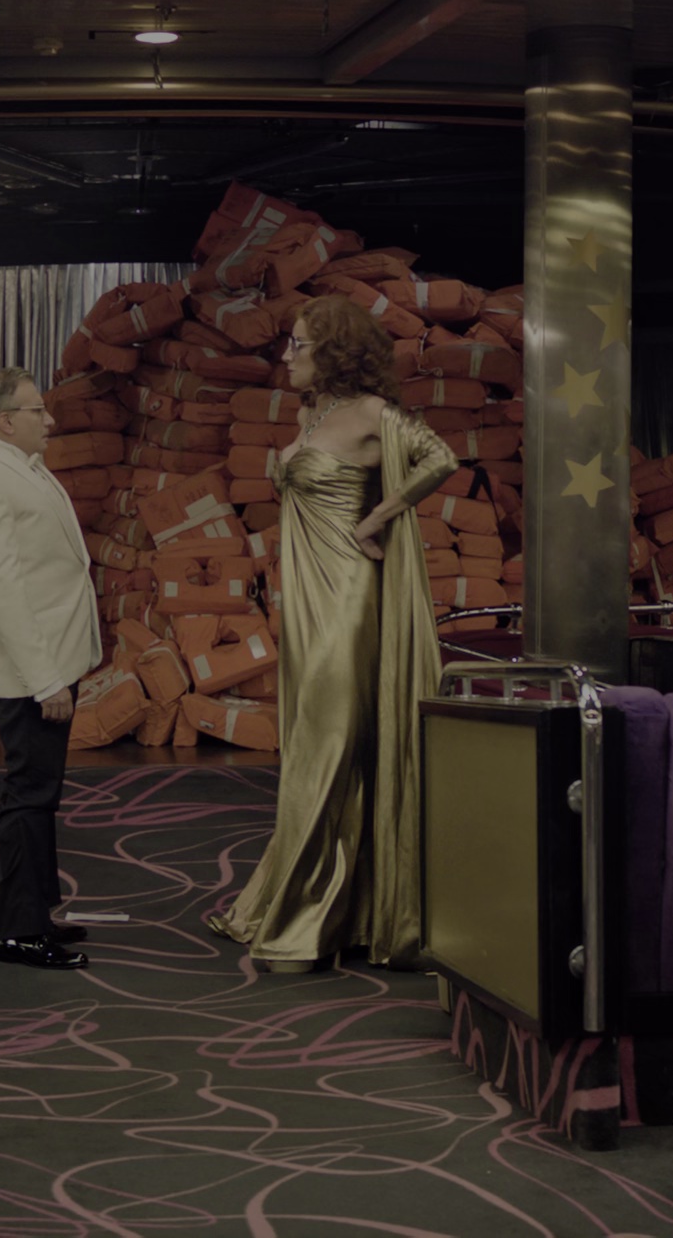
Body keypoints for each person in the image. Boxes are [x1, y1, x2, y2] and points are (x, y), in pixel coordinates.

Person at [208, 295, 457, 973]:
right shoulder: (310, 413)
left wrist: (379, 518)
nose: (286, 355)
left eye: (298, 344)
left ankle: (303, 919)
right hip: (307, 601)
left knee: (329, 741)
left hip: (349, 598)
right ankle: (339, 906)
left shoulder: (374, 414)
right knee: (316, 742)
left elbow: (441, 458)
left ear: (335, 352)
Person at [0, 367, 100, 971]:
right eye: (39, 410)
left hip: (54, 655)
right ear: (6, 420)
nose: (50, 419)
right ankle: (18, 930)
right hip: (32, 669)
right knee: (29, 794)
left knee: (41, 793)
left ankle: (37, 911)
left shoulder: (20, 466)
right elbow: (3, 588)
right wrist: (44, 679)